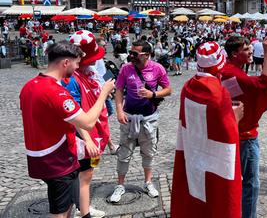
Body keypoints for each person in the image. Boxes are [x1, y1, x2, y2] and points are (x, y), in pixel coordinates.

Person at [20, 41, 115, 218]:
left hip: (39, 157)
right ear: (66, 63)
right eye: (77, 63)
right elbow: (87, 122)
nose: (78, 67)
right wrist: (103, 93)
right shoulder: (56, 92)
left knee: (65, 204)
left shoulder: (30, 85)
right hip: (58, 160)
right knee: (61, 213)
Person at [171, 41, 244, 218]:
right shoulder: (219, 93)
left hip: (194, 152)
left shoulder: (188, 87)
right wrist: (236, 118)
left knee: (195, 196)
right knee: (217, 196)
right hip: (214, 158)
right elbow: (227, 133)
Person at [221, 35, 267, 218]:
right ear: (235, 53)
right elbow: (264, 86)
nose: (251, 51)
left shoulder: (224, 70)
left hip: (228, 133)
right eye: (246, 49)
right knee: (251, 183)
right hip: (245, 136)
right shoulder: (237, 75)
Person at [109, 40, 172, 203]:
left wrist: (153, 95)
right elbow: (119, 90)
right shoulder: (126, 68)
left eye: (134, 54)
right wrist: (119, 110)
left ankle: (148, 182)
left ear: (146, 55)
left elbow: (168, 89)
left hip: (149, 119)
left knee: (148, 152)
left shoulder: (157, 68)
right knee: (124, 153)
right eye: (130, 52)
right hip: (129, 117)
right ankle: (120, 185)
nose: (131, 56)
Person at [63, 31, 110, 218]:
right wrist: (88, 139)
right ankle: (83, 211)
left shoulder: (90, 72)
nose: (94, 61)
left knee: (87, 173)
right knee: (84, 174)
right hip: (83, 136)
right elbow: (74, 114)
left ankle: (83, 207)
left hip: (95, 131)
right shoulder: (72, 80)